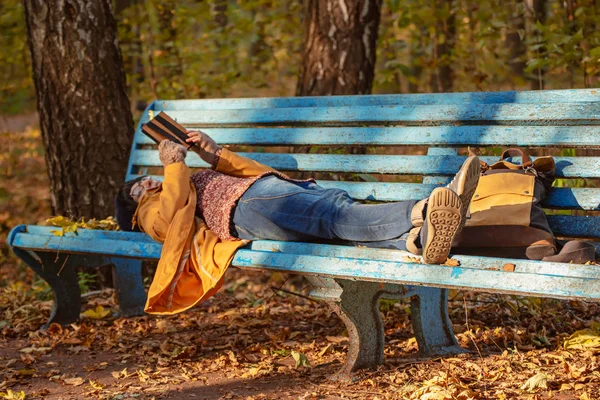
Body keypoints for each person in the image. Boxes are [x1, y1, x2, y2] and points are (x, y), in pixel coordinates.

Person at [115, 131, 480, 315]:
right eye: (137, 190)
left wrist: (212, 153)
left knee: (339, 224)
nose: (146, 184)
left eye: (144, 179)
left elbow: (256, 172)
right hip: (248, 207)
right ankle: (425, 207)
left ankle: (416, 240)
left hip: (261, 192)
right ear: (134, 210)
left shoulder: (179, 181)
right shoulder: (151, 211)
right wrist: (173, 164)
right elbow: (169, 217)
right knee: (333, 213)